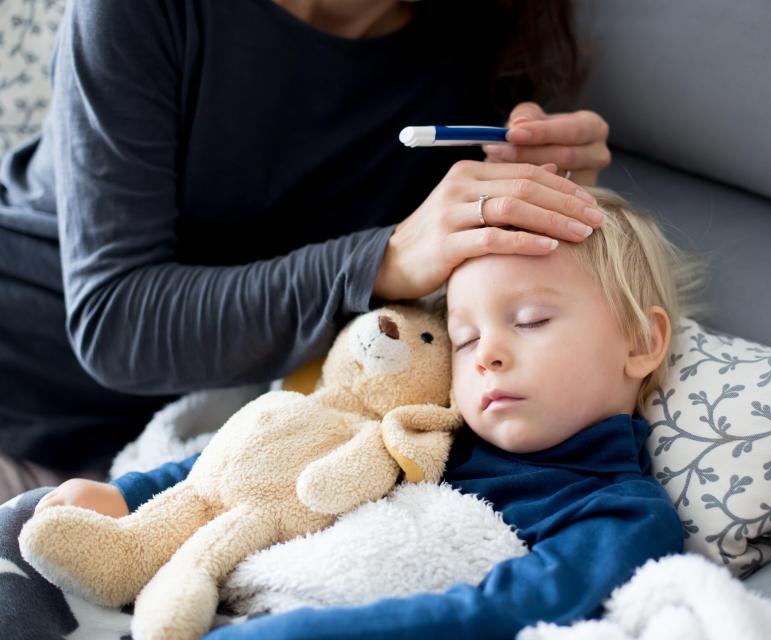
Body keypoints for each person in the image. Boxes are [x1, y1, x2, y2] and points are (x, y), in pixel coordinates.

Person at [0, 0, 613, 502]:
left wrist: (544, 203)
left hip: (210, 445)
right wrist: (381, 260)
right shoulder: (143, 13)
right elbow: (116, 324)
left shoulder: (485, 55)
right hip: (28, 381)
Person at [34, 186, 703, 639]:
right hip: (196, 576)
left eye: (530, 320)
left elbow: (492, 614)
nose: (487, 355)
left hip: (287, 624)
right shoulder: (427, 426)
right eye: (465, 339)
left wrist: (295, 634)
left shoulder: (617, 514)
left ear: (641, 342)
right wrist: (131, 495)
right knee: (27, 534)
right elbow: (267, 457)